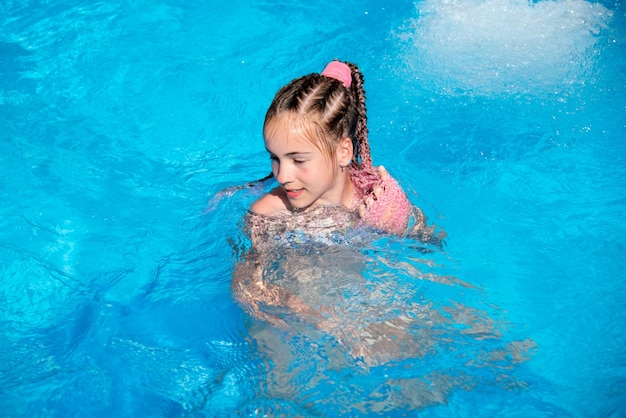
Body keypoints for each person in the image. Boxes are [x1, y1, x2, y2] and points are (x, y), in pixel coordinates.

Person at [249, 59, 441, 241]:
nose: (282, 176)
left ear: (344, 152)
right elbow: (250, 274)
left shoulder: (375, 196)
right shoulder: (269, 215)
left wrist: (399, 222)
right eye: (275, 158)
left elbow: (432, 244)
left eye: (298, 160)